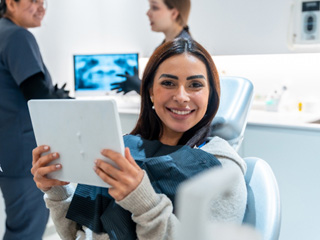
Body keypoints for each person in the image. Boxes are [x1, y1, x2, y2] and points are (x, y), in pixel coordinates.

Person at [31, 38, 247, 240]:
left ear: (211, 95)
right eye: (169, 83)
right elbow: (78, 233)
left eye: (195, 85)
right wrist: (57, 191)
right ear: (151, 91)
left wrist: (145, 203)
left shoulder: (221, 169)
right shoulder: (122, 148)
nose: (181, 96)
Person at [0, 0, 70, 239]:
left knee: (19, 225)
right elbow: (38, 96)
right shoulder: (18, 36)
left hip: (7, 150)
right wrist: (61, 99)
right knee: (26, 230)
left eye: (44, 2)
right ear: (10, 3)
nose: (42, 8)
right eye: (34, 1)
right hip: (24, 155)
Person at [111, 0, 192, 94]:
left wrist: (139, 86)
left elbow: (172, 94)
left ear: (174, 13)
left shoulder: (184, 51)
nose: (148, 13)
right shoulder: (164, 47)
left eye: (154, 8)